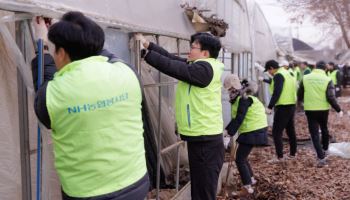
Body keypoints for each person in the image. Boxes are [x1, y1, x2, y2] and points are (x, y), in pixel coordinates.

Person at [32, 12, 149, 199]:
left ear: (62, 52)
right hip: (136, 182)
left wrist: (43, 47)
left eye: (55, 50)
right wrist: (76, 35)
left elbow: (44, 88)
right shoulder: (128, 74)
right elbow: (105, 55)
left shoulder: (52, 94)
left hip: (88, 193)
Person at [135, 32, 224, 200]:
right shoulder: (201, 65)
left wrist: (146, 55)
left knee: (204, 191)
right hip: (201, 137)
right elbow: (171, 59)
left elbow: (172, 67)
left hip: (206, 139)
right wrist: (149, 45)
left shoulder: (204, 69)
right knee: (199, 186)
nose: (188, 51)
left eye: (193, 47)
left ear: (205, 53)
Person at [224, 75, 268, 197]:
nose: (229, 92)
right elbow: (236, 118)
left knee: (239, 159)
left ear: (234, 87)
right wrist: (227, 131)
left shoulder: (244, 99)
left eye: (229, 89)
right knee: (243, 157)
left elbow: (239, 118)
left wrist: (228, 134)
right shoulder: (241, 96)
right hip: (255, 130)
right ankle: (251, 180)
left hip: (253, 130)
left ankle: (247, 188)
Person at [298, 61, 343, 167]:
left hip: (310, 109)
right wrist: (338, 109)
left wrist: (300, 103)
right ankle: (326, 149)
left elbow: (300, 93)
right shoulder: (327, 79)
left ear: (315, 67)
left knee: (314, 133)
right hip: (323, 109)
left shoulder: (305, 78)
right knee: (324, 128)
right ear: (325, 69)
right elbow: (331, 97)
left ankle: (320, 157)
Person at [264, 60, 297, 162]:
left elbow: (277, 91)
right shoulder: (288, 73)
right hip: (291, 105)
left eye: (269, 71)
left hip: (283, 106)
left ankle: (279, 157)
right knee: (290, 131)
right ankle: (292, 154)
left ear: (271, 68)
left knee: (276, 132)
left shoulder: (278, 75)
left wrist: (270, 106)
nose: (269, 73)